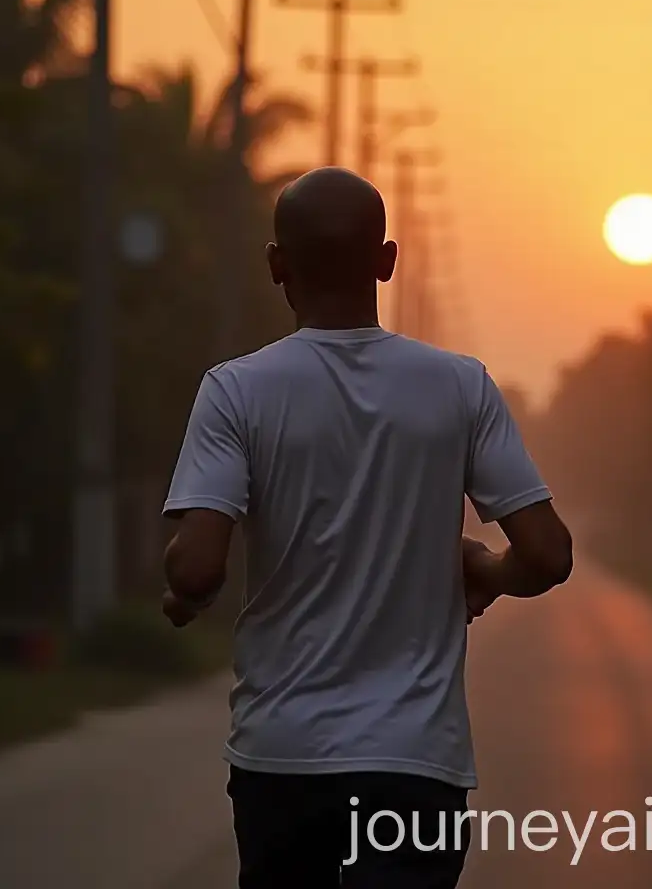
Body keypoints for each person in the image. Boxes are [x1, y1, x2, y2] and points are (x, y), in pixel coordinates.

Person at [160, 167, 573, 887]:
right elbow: (547, 553)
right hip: (416, 763)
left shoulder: (236, 390)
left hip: (284, 763)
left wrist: (183, 589)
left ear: (275, 264)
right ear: (386, 261)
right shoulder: (460, 385)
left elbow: (197, 568)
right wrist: (486, 570)